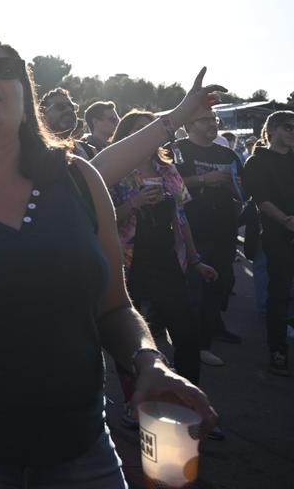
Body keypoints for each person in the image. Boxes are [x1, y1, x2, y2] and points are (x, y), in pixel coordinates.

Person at [0, 36, 217, 489]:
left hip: (81, 449)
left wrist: (149, 360)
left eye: (5, 68)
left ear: (26, 102)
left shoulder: (81, 181)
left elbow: (115, 308)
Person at [106, 111, 218, 434]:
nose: (149, 135)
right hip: (129, 264)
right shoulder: (113, 173)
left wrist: (196, 260)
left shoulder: (168, 170)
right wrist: (134, 203)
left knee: (187, 334)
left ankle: (187, 404)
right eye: (141, 130)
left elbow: (181, 220)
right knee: (132, 340)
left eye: (153, 129)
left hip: (168, 263)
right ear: (127, 136)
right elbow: (102, 220)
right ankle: (135, 402)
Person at [174, 110, 245, 366]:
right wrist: (204, 179)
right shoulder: (177, 149)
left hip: (224, 231)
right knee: (193, 291)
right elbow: (170, 183)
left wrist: (234, 187)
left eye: (214, 119)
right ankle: (191, 347)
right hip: (192, 231)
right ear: (189, 124)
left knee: (218, 287)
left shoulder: (228, 154)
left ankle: (206, 339)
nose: (212, 124)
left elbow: (243, 190)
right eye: (205, 119)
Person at [241, 110, 294, 376]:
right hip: (277, 235)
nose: (293, 131)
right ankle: (278, 349)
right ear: (271, 130)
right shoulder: (257, 161)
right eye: (288, 127)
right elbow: (260, 199)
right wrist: (286, 220)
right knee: (279, 294)